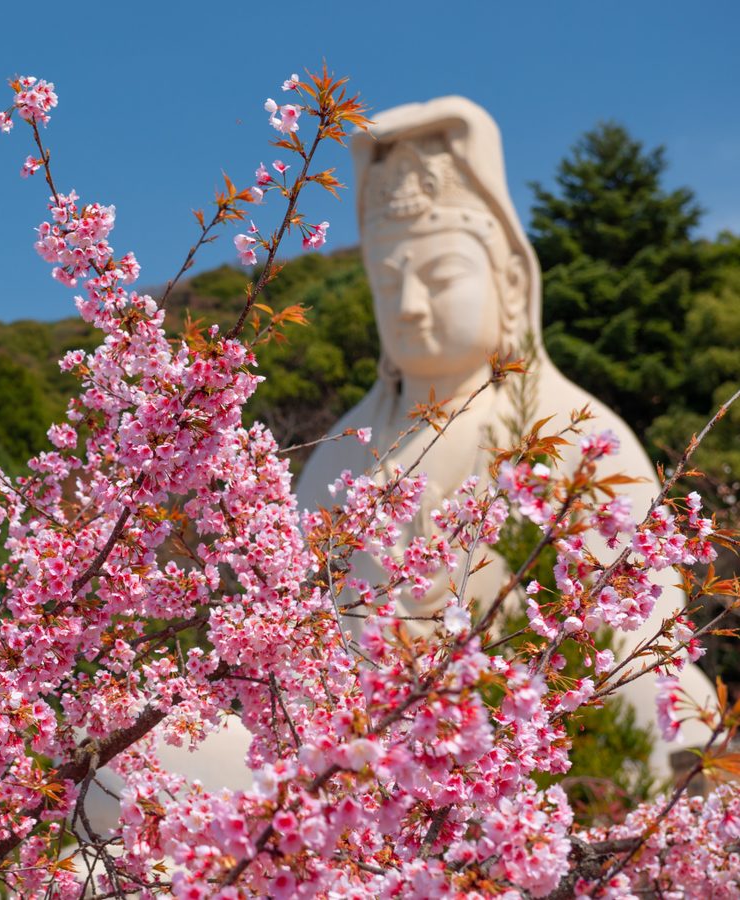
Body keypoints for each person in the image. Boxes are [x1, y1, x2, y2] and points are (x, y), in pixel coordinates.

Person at [298, 95, 715, 779]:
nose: (408, 307)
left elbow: (646, 635)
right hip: (360, 759)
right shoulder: (340, 458)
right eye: (388, 281)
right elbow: (292, 638)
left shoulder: (581, 436)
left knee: (666, 697)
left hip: (537, 754)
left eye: (440, 278)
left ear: (511, 282)